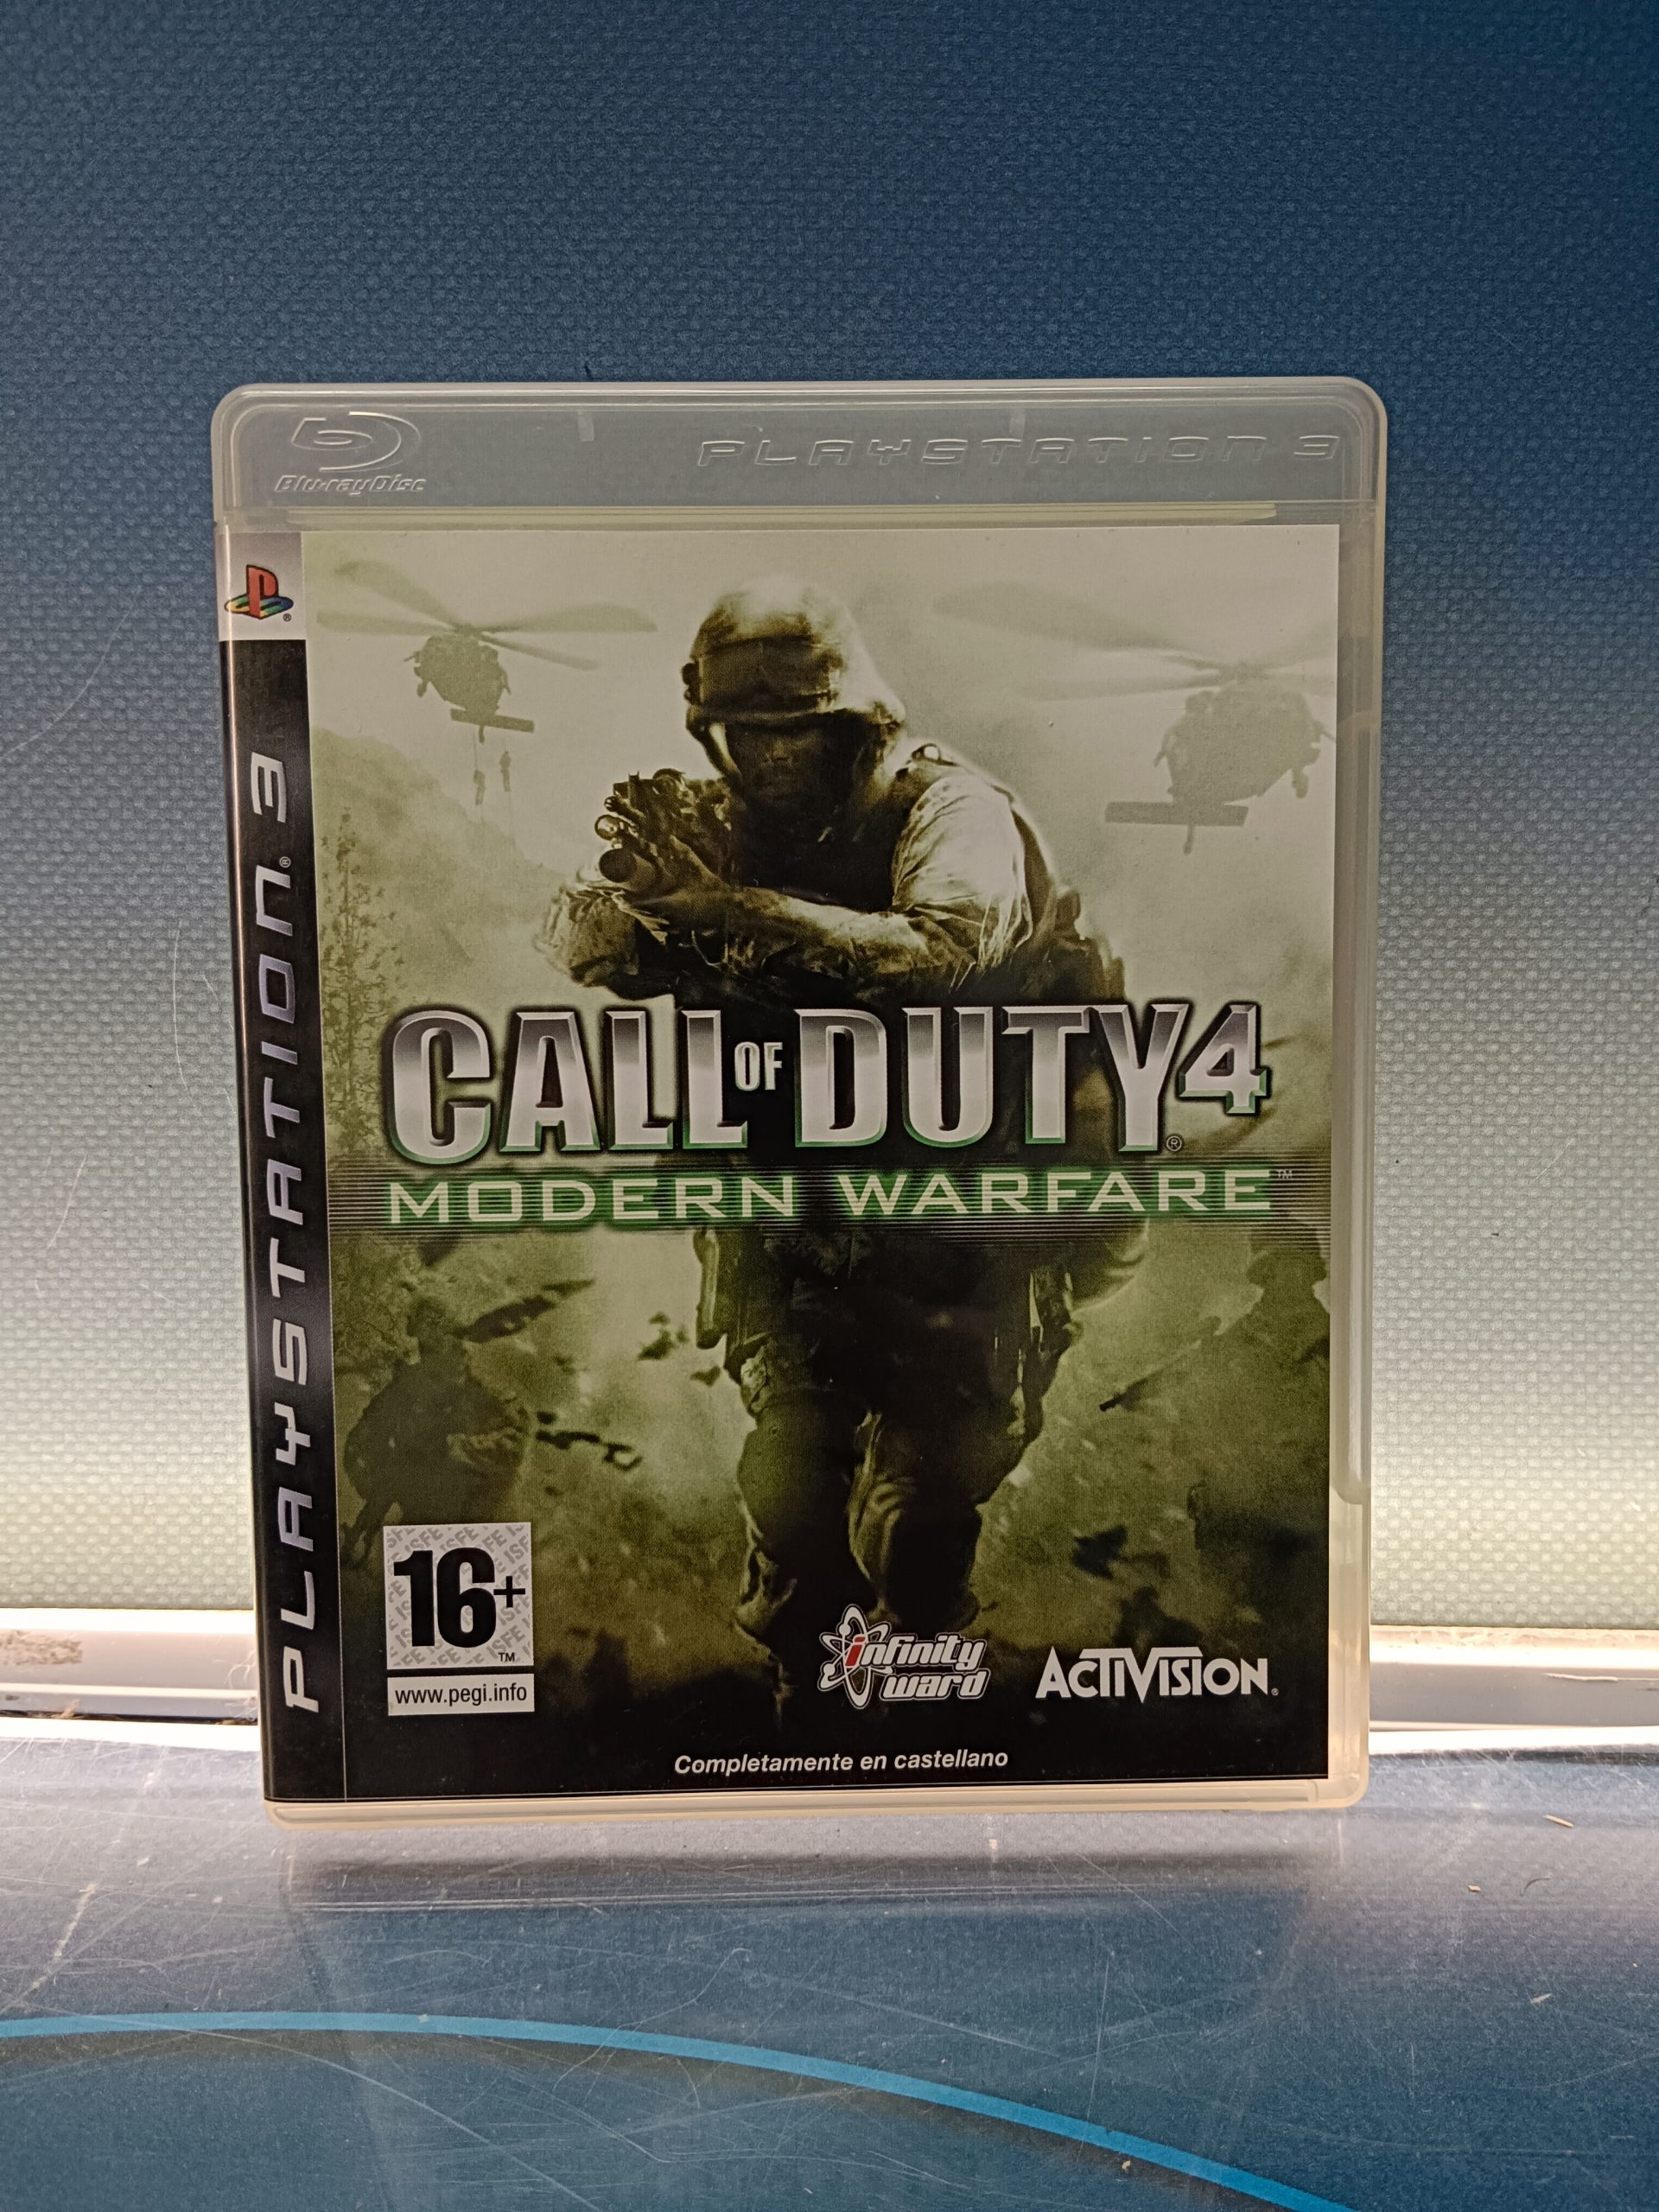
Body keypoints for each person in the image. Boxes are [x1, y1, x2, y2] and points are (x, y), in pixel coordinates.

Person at [546, 579, 1143, 1713]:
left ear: (856, 721)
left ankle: (914, 1703)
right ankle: (807, 1705)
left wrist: (726, 916)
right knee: (793, 1492)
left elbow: (944, 951)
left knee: (918, 1520)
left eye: (799, 732)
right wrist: (642, 916)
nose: (773, 759)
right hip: (801, 1218)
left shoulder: (952, 812)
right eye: (748, 733)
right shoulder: (717, 826)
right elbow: (578, 932)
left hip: (966, 1226)